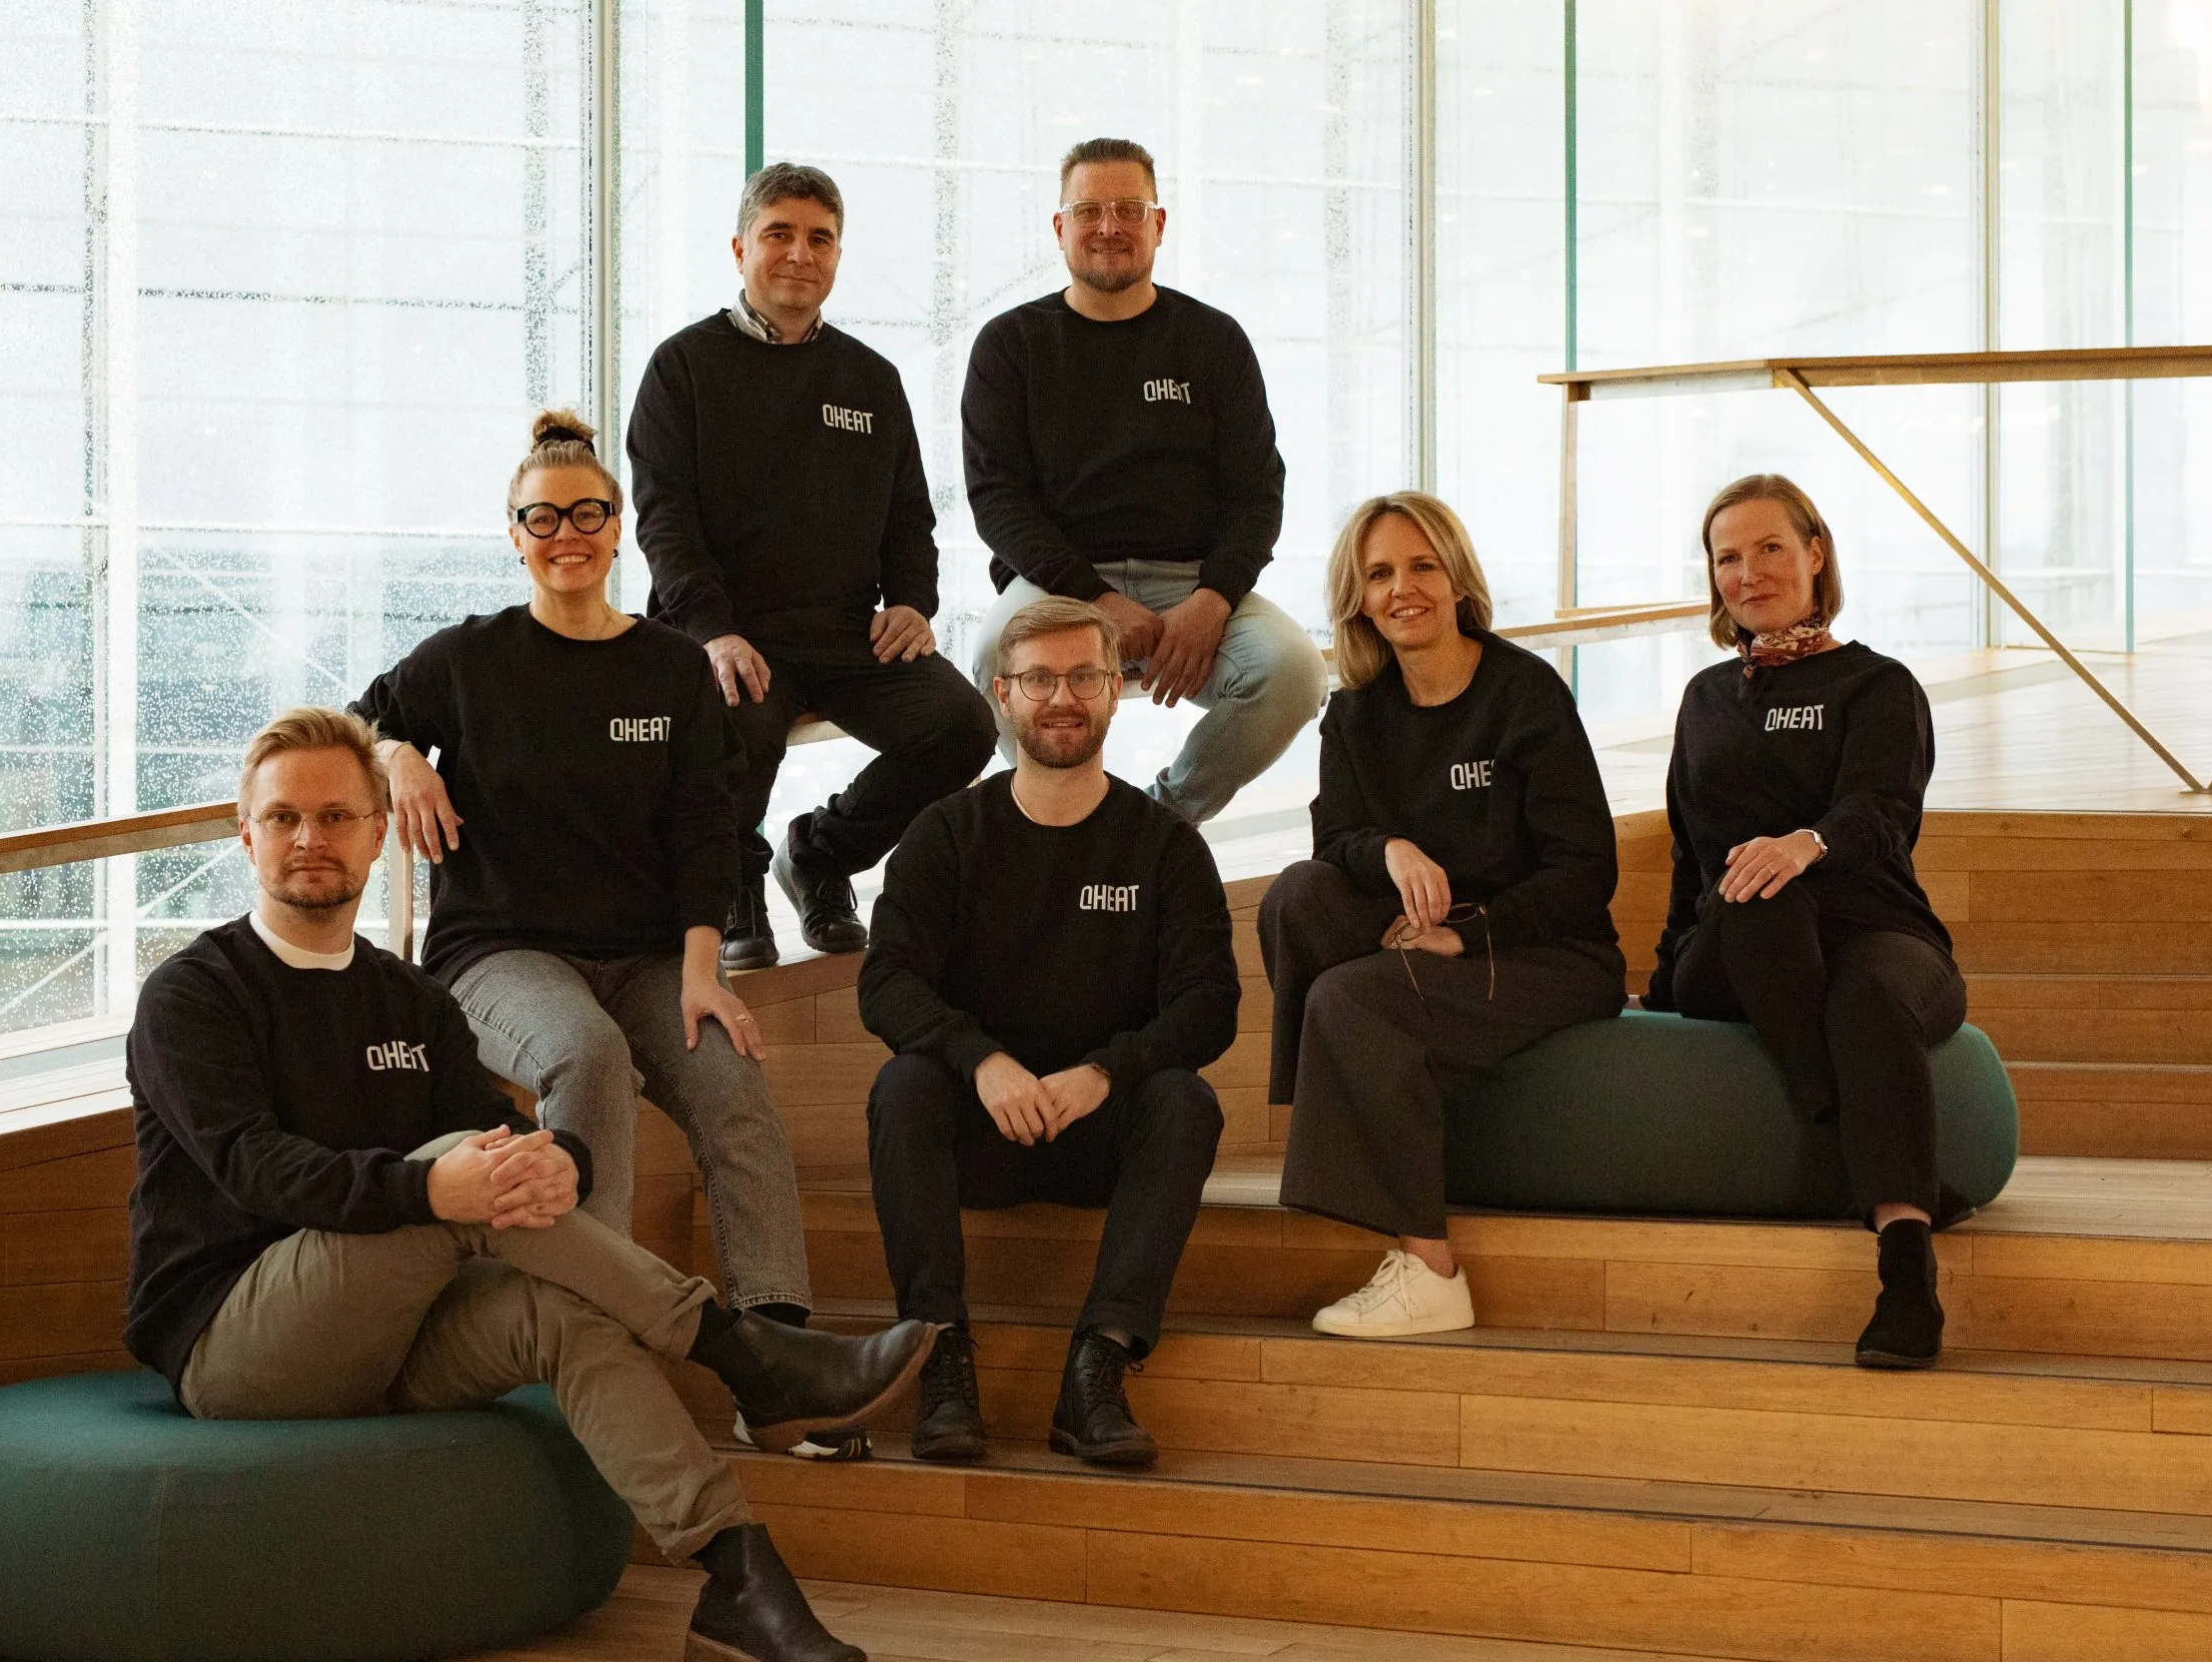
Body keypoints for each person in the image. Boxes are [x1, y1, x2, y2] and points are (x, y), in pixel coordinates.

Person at [123, 706, 938, 1662]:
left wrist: (565, 1166)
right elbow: (257, 1169)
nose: (310, 840)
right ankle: (741, 1354)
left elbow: (498, 1138)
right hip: (239, 1342)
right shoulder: (192, 994)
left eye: (336, 817)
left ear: (380, 831)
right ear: (243, 833)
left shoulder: (410, 996)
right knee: (463, 1164)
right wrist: (443, 1179)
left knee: (563, 1316)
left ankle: (736, 1579)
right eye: (284, 818)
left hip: (389, 1332)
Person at [353, 411, 850, 1455]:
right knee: (584, 1054)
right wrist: (397, 752)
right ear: (513, 532)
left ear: (618, 526)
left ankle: (774, 1368)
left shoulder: (669, 670)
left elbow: (705, 829)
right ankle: (602, 1345)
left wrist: (706, 973)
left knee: (732, 1090)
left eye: (587, 512)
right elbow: (362, 715)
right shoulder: (469, 658)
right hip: (498, 954)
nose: (565, 532)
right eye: (543, 517)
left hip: (650, 958)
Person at [858, 596, 1239, 1468]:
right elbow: (886, 981)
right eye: (1038, 679)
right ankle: (940, 1354)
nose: (1061, 697)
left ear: (1116, 691)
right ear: (1002, 693)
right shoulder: (947, 834)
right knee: (904, 1084)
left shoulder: (1166, 846)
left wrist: (1103, 1073)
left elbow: (1207, 1005)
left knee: (1185, 1100)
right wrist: (980, 1060)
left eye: (1083, 677)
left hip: (1100, 1131)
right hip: (978, 1129)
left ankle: (1097, 1365)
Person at [1260, 493, 1628, 1337]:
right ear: (1357, 597)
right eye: (1379, 573)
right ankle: (1338, 1119)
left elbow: (1586, 872)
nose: (1403, 589)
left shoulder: (1524, 693)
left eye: (1422, 565)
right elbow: (1335, 836)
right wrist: (1389, 848)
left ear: (1457, 577)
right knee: (1296, 897)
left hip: (1546, 950)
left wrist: (1465, 934)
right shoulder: (1356, 710)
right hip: (1417, 930)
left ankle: (1432, 1270)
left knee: (1348, 999)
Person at [629, 162, 995, 970]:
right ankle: (733, 885)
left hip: (843, 630)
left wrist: (912, 602)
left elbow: (908, 516)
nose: (800, 254)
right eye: (779, 235)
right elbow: (665, 519)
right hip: (727, 629)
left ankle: (821, 854)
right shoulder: (682, 368)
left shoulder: (870, 379)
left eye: (820, 239)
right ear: (739, 248)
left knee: (964, 724)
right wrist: (712, 631)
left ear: (837, 255)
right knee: (734, 725)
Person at [1644, 473, 1969, 1370]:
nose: (1749, 573)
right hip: (1740, 948)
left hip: (1877, 931)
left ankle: (1906, 1272)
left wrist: (1807, 841)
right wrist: (1666, 969)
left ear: (1816, 553)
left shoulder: (1877, 684)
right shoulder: (1705, 699)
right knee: (1753, 891)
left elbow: (1882, 812)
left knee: (1863, 994)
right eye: (1728, 557)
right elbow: (1687, 850)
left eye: (1770, 548)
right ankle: (1853, 1141)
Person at [960, 136, 1325, 827]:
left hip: (1192, 585)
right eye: (1089, 210)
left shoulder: (1212, 341)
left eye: (1130, 209)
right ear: (1060, 227)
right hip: (1059, 586)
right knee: (991, 666)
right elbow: (997, 500)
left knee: (1295, 673)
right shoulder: (1011, 345)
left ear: (1159, 224)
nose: (1109, 227)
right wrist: (1094, 596)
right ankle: (1057, 821)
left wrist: (1214, 598)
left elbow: (1258, 492)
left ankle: (1156, 822)